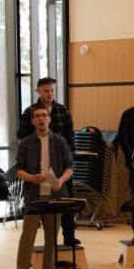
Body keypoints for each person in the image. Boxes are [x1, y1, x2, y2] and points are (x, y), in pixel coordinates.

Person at [12, 106, 74, 269]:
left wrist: (61, 181)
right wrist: (31, 178)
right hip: (33, 194)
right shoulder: (26, 143)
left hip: (55, 193)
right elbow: (19, 171)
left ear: (49, 119)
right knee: (27, 237)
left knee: (51, 237)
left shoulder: (59, 141)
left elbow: (70, 167)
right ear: (32, 121)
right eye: (37, 116)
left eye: (44, 116)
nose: (41, 119)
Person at [18, 77, 77, 247]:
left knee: (66, 200)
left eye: (52, 90)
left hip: (61, 164)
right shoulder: (30, 112)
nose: (49, 93)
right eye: (46, 90)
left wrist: (68, 158)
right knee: (37, 203)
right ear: (38, 91)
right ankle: (42, 237)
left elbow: (70, 135)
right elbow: (22, 137)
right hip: (38, 166)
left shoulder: (62, 111)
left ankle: (68, 236)